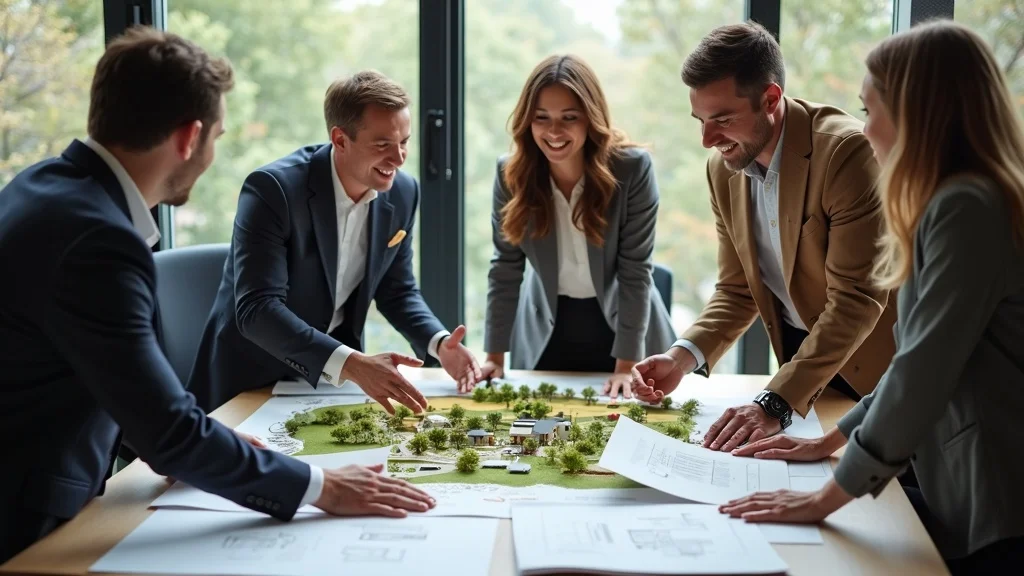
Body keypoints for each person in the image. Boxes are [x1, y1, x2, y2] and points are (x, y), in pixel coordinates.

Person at [0, 27, 434, 564]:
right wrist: (323, 487)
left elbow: (136, 406)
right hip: (27, 514)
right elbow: (164, 430)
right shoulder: (101, 242)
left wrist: (199, 442)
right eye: (219, 137)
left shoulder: (39, 185)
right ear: (189, 138)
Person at [722, 20, 1024, 574]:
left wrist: (824, 497)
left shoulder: (967, 210)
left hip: (996, 497)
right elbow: (914, 358)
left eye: (869, 109)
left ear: (919, 112)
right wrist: (831, 439)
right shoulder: (955, 201)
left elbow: (923, 371)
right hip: (966, 484)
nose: (864, 130)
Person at [630, 21, 897, 451]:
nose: (706, 140)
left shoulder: (846, 153)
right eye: (700, 119)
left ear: (771, 99)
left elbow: (856, 300)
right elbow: (737, 289)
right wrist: (681, 358)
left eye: (722, 119)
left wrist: (774, 403)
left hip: (873, 370)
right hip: (801, 370)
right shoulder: (724, 167)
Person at [187, 71, 481, 415]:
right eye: (383, 144)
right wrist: (354, 364)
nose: (399, 159)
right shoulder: (273, 190)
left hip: (331, 384)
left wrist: (439, 342)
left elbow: (396, 289)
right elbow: (258, 311)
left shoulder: (403, 192)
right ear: (340, 140)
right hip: (249, 381)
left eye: (404, 142)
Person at [480, 54, 675, 398]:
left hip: (623, 331)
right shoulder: (510, 174)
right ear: (528, 121)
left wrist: (627, 366)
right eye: (542, 118)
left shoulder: (632, 170)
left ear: (590, 119)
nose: (554, 131)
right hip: (547, 330)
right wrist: (494, 358)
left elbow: (635, 271)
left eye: (569, 117)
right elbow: (505, 269)